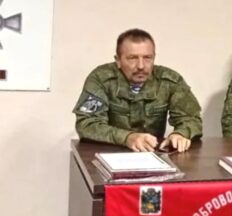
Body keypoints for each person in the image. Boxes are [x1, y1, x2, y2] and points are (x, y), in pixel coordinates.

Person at [73, 28, 202, 152]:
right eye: (132, 58)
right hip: (108, 153)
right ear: (118, 60)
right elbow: (87, 124)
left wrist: (181, 134)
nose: (141, 66)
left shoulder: (170, 81)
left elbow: (192, 119)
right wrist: (127, 138)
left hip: (152, 154)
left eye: (147, 58)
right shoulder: (101, 79)